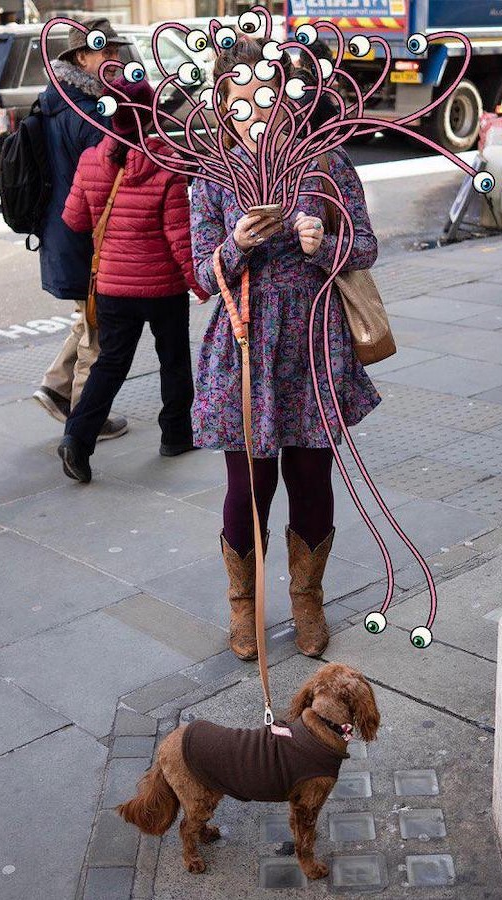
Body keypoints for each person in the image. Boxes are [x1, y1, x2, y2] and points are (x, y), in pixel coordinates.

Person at [190, 37, 381, 660]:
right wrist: (237, 244)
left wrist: (322, 241)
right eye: (239, 100)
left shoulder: (325, 163)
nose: (254, 112)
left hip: (313, 339)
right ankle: (243, 606)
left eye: (265, 99)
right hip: (245, 343)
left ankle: (307, 599)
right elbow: (199, 273)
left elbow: (367, 248)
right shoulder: (212, 175)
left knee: (310, 474)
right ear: (221, 102)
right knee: (246, 484)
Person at [56, 76, 210, 483]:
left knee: (110, 364)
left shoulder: (92, 159)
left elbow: (73, 219)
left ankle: (77, 438)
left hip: (112, 286)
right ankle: (176, 434)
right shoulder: (167, 164)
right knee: (173, 359)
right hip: (163, 288)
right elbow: (180, 237)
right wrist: (200, 283)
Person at [31, 17, 129, 441]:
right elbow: (112, 175)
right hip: (85, 235)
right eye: (104, 52)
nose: (114, 59)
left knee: (88, 318)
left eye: (115, 52)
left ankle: (56, 386)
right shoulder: (88, 113)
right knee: (99, 327)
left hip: (59, 230)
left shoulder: (53, 100)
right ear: (81, 58)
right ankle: (86, 418)